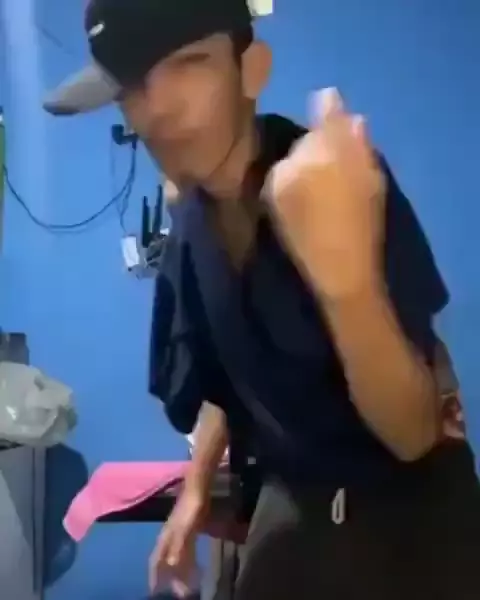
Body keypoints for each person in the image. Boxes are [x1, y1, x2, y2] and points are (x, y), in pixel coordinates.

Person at [43, 0, 480, 598]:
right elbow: (227, 381)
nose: (159, 107)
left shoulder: (335, 183)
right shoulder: (190, 230)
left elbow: (415, 432)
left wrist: (349, 290)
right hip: (296, 502)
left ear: (252, 68)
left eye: (189, 64)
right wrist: (194, 496)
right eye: (134, 86)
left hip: (411, 517)